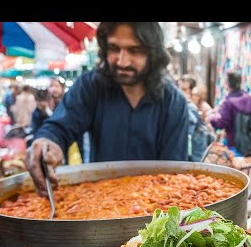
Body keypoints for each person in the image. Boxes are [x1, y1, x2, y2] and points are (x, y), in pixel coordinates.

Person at [28, 22, 189, 197]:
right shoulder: (90, 87)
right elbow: (59, 127)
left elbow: (174, 175)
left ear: (153, 53)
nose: (122, 61)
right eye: (114, 48)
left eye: (134, 50)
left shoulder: (174, 102)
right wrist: (47, 142)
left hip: (154, 207)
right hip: (100, 205)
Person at [208, 70, 251, 156]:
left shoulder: (228, 102)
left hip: (234, 146)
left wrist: (211, 116)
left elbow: (221, 123)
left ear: (227, 85)